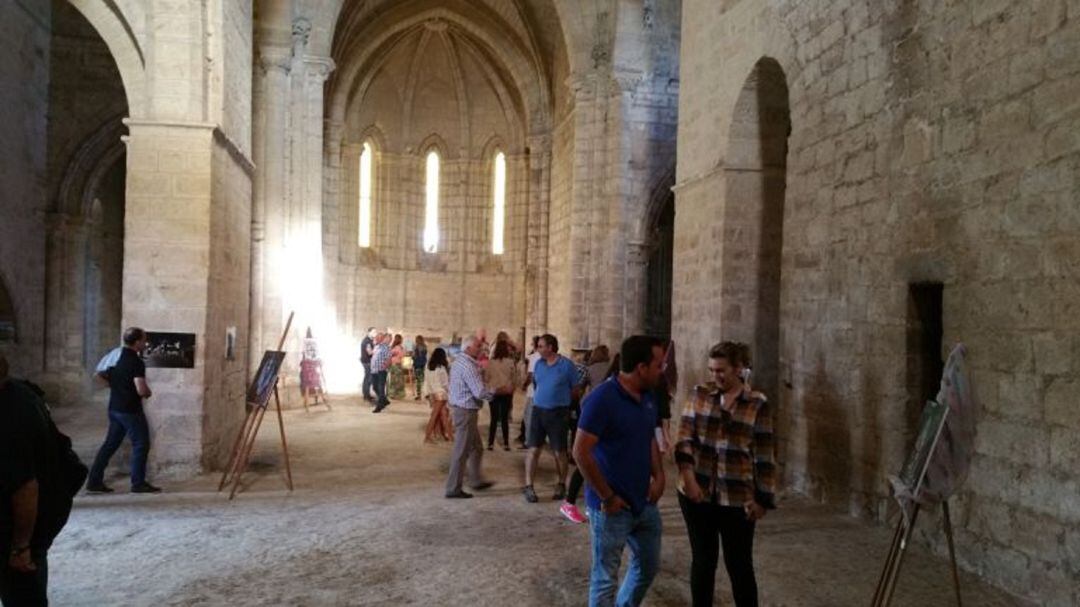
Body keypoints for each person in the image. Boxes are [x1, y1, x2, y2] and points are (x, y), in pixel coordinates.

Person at [674, 341, 776, 607]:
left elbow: (765, 455)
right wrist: (689, 479)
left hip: (737, 495)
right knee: (704, 561)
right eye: (711, 370)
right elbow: (684, 439)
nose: (715, 376)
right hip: (697, 492)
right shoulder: (699, 395)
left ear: (738, 368)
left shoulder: (757, 404)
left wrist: (763, 499)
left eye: (721, 370)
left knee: (740, 564)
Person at [574, 336, 666, 607]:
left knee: (648, 567)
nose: (663, 370)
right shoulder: (602, 399)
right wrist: (607, 497)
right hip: (611, 507)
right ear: (641, 367)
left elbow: (648, 436)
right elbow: (580, 452)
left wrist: (659, 476)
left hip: (643, 502)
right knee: (605, 579)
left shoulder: (648, 396)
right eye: (658, 365)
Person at [0, 354, 85, 606]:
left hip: (23, 524)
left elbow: (26, 489)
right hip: (44, 508)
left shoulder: (10, 418)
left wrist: (20, 546)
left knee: (23, 587)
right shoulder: (22, 392)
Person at [86, 327, 161, 494]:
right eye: (143, 340)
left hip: (115, 407)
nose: (145, 343)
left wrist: (113, 385)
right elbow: (140, 389)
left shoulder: (115, 355)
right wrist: (148, 392)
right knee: (141, 444)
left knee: (110, 445)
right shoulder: (136, 362)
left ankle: (94, 481)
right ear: (137, 342)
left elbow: (97, 375)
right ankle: (138, 483)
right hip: (130, 410)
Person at [561, 347, 616, 524]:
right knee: (589, 460)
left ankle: (590, 503)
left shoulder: (591, 370)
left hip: (595, 418)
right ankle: (572, 502)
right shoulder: (606, 384)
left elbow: (579, 392)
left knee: (597, 462)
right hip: (598, 422)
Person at [522, 334, 578, 503]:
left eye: (540, 346)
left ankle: (561, 483)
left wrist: (567, 406)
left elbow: (575, 390)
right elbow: (538, 385)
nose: (538, 349)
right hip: (539, 410)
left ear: (550, 347)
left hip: (558, 413)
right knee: (533, 449)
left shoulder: (567, 366)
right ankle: (529, 486)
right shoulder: (539, 364)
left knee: (559, 451)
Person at [444, 336, 498, 498]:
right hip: (466, 411)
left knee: (476, 448)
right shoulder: (468, 366)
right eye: (477, 346)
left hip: (462, 409)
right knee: (461, 452)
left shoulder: (460, 361)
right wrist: (495, 392)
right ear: (467, 348)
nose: (480, 348)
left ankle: (475, 480)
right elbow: (480, 392)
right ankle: (453, 488)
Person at [483, 340, 517, 451]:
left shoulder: (490, 363)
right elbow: (514, 378)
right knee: (504, 419)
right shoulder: (511, 362)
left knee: (493, 418)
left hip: (493, 392)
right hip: (506, 392)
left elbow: (486, 378)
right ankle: (506, 443)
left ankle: (490, 443)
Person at [516, 336, 542, 447]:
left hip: (533, 393)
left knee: (529, 418)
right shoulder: (544, 357)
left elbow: (531, 375)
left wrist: (524, 385)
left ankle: (529, 442)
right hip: (541, 393)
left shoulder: (534, 357)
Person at [422, 347, 452, 443]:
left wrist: (427, 393)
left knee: (441, 415)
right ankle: (427, 437)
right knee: (436, 416)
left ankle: (449, 437)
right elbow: (445, 384)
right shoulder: (441, 368)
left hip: (432, 393)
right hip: (440, 394)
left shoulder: (427, 366)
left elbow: (426, 380)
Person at [300, 328, 328, 410]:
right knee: (314, 383)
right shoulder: (312, 343)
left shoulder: (306, 343)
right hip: (312, 370)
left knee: (308, 382)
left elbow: (304, 357)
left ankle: (310, 399)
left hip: (309, 371)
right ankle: (314, 399)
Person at [370, 332, 392, 413]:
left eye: (378, 338)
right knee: (375, 387)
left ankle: (379, 406)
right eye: (376, 338)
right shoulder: (376, 346)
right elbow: (373, 355)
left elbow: (389, 359)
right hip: (374, 370)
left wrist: (385, 367)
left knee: (381, 388)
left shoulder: (386, 347)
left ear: (382, 339)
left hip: (381, 371)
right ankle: (384, 400)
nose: (376, 339)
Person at [360, 327, 376, 404]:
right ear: (369, 332)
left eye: (375, 332)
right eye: (373, 332)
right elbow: (370, 352)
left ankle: (367, 395)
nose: (375, 333)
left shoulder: (370, 340)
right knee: (368, 379)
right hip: (367, 362)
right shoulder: (367, 341)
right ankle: (366, 396)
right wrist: (377, 349)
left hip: (367, 361)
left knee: (367, 378)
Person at [387, 334, 406, 400]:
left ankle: (392, 394)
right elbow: (402, 355)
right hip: (397, 365)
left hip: (393, 364)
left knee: (393, 380)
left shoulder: (393, 347)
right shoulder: (399, 347)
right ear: (400, 340)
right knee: (398, 380)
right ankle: (396, 394)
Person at [412, 336, 428, 400]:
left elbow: (414, 356)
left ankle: (419, 395)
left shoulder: (416, 347)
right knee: (423, 380)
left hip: (417, 365)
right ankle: (426, 394)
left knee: (418, 381)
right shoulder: (425, 347)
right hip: (423, 365)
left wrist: (412, 357)